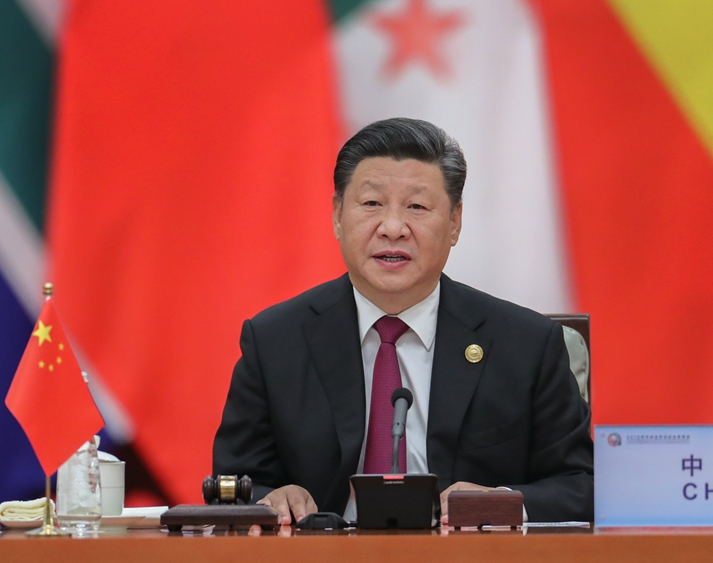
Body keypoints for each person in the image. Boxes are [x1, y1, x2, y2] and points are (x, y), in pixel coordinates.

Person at [212, 117, 593, 525]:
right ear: (338, 215)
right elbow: (229, 485)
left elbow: (581, 485)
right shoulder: (275, 341)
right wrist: (270, 498)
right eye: (371, 204)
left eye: (417, 207)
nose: (393, 229)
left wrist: (498, 502)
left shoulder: (527, 345)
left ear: (454, 222)